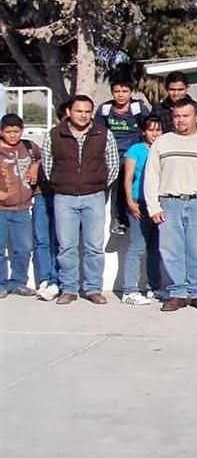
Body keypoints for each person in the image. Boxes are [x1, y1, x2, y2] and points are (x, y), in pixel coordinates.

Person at [144, 98, 197, 312]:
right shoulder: (162, 142)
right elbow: (152, 176)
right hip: (169, 203)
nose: (180, 120)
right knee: (171, 251)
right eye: (176, 116)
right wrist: (153, 206)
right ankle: (177, 294)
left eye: (185, 116)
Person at [42, 95, 119, 305]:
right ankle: (69, 289)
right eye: (79, 111)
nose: (83, 115)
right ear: (69, 112)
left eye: (87, 111)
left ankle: (93, 288)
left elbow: (113, 166)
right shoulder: (55, 135)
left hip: (94, 197)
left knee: (94, 246)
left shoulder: (103, 134)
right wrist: (62, 184)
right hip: (64, 198)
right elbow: (48, 166)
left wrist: (98, 186)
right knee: (66, 246)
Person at [119, 115, 164, 305]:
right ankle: (129, 290)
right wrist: (130, 201)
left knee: (155, 248)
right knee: (138, 247)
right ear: (143, 131)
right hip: (139, 201)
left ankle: (154, 287)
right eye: (151, 129)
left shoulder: (164, 149)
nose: (155, 133)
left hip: (159, 203)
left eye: (158, 129)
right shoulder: (135, 150)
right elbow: (128, 178)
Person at [95, 75, 148, 235]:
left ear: (131, 92)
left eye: (125, 91)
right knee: (114, 183)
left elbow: (149, 127)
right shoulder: (105, 109)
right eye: (117, 91)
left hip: (134, 153)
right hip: (112, 153)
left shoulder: (138, 109)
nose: (120, 94)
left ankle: (132, 217)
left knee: (132, 181)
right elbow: (98, 132)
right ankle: (116, 220)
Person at [0, 114, 40, 298]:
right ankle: (1, 284)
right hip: (1, 209)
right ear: (1, 132)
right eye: (8, 132)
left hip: (23, 208)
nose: (13, 135)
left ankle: (18, 282)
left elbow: (43, 159)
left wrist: (35, 166)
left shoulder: (29, 147)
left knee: (23, 248)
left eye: (16, 131)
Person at [33, 101, 68, 302]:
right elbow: (38, 158)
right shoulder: (51, 137)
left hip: (64, 195)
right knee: (42, 240)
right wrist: (35, 164)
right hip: (43, 194)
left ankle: (59, 280)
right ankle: (45, 279)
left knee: (61, 240)